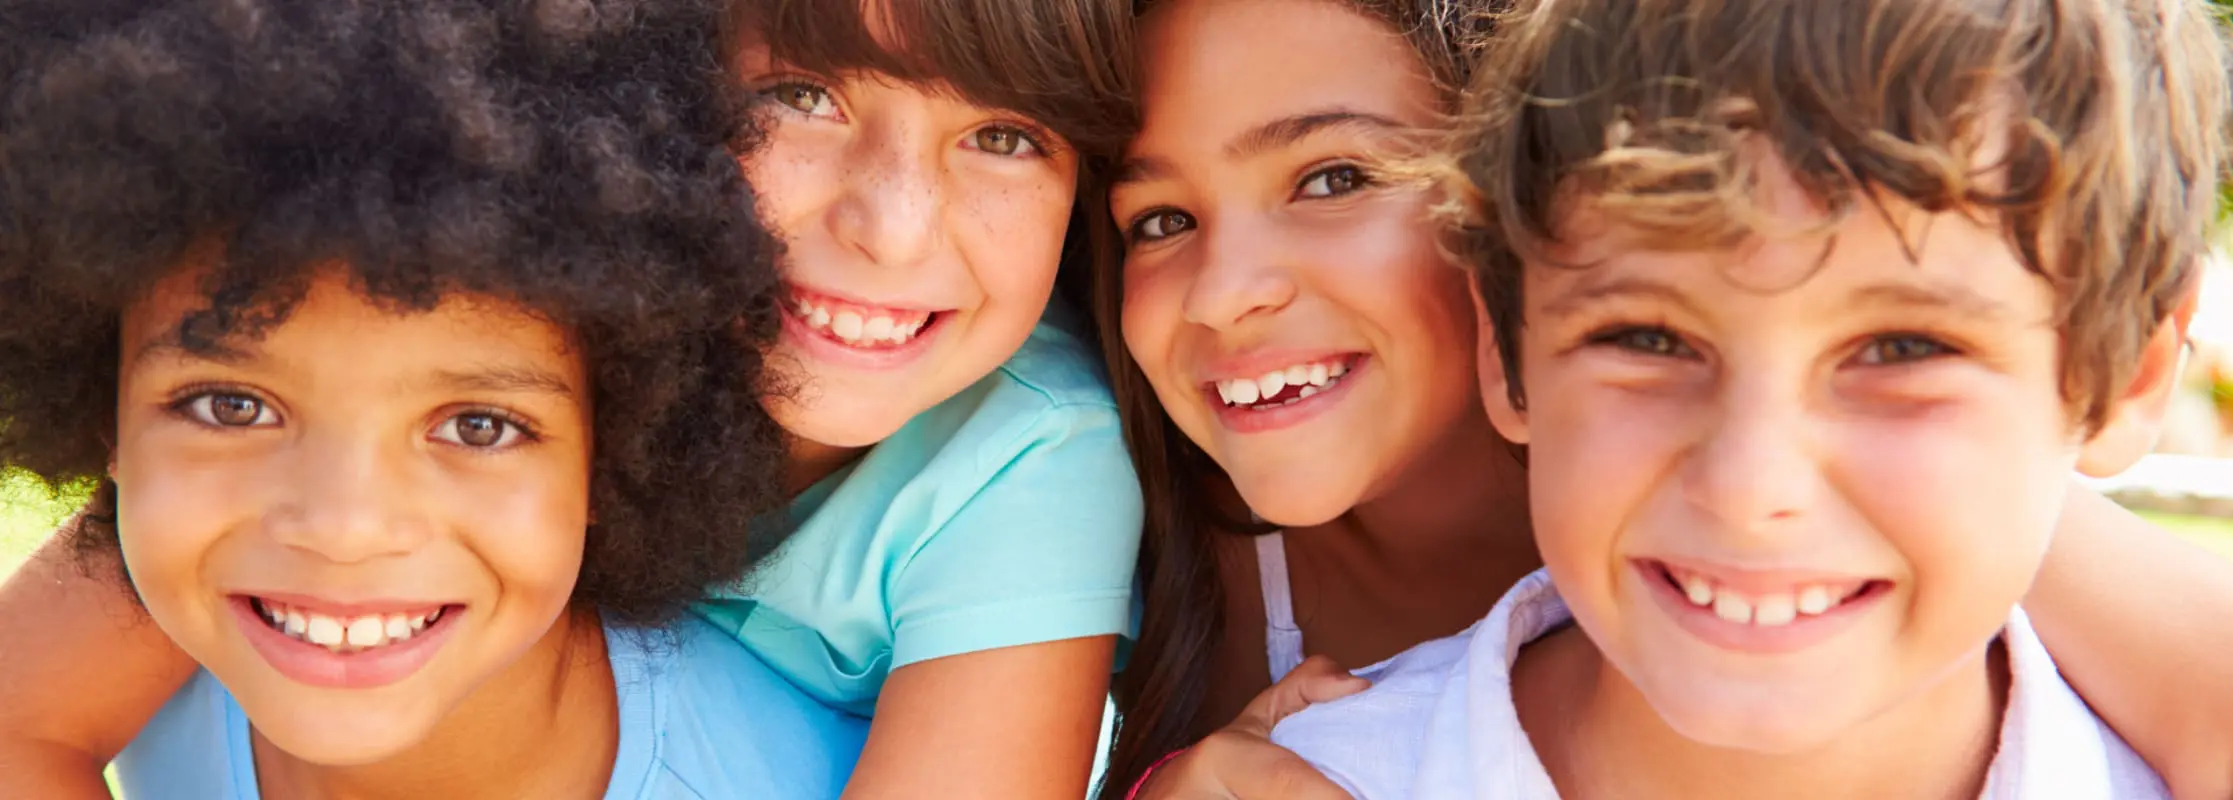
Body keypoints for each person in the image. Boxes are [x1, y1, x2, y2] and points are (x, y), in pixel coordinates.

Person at [0, 0, 1144, 796]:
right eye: (800, 93)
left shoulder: (1028, 456)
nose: (891, 230)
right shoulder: (461, 286)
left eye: (1003, 134)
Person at [1097, 0, 2233, 797]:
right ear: (1515, 341)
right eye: (1648, 339)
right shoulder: (1102, 477)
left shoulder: (1991, 504)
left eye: (1896, 348)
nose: (1750, 490)